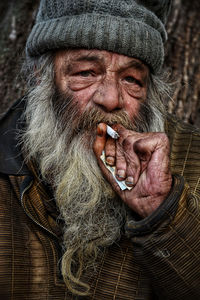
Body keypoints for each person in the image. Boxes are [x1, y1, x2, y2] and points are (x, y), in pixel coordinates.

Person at [0, 0, 199, 299]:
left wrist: (161, 210)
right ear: (43, 76)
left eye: (132, 79)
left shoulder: (192, 159)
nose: (110, 99)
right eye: (85, 73)